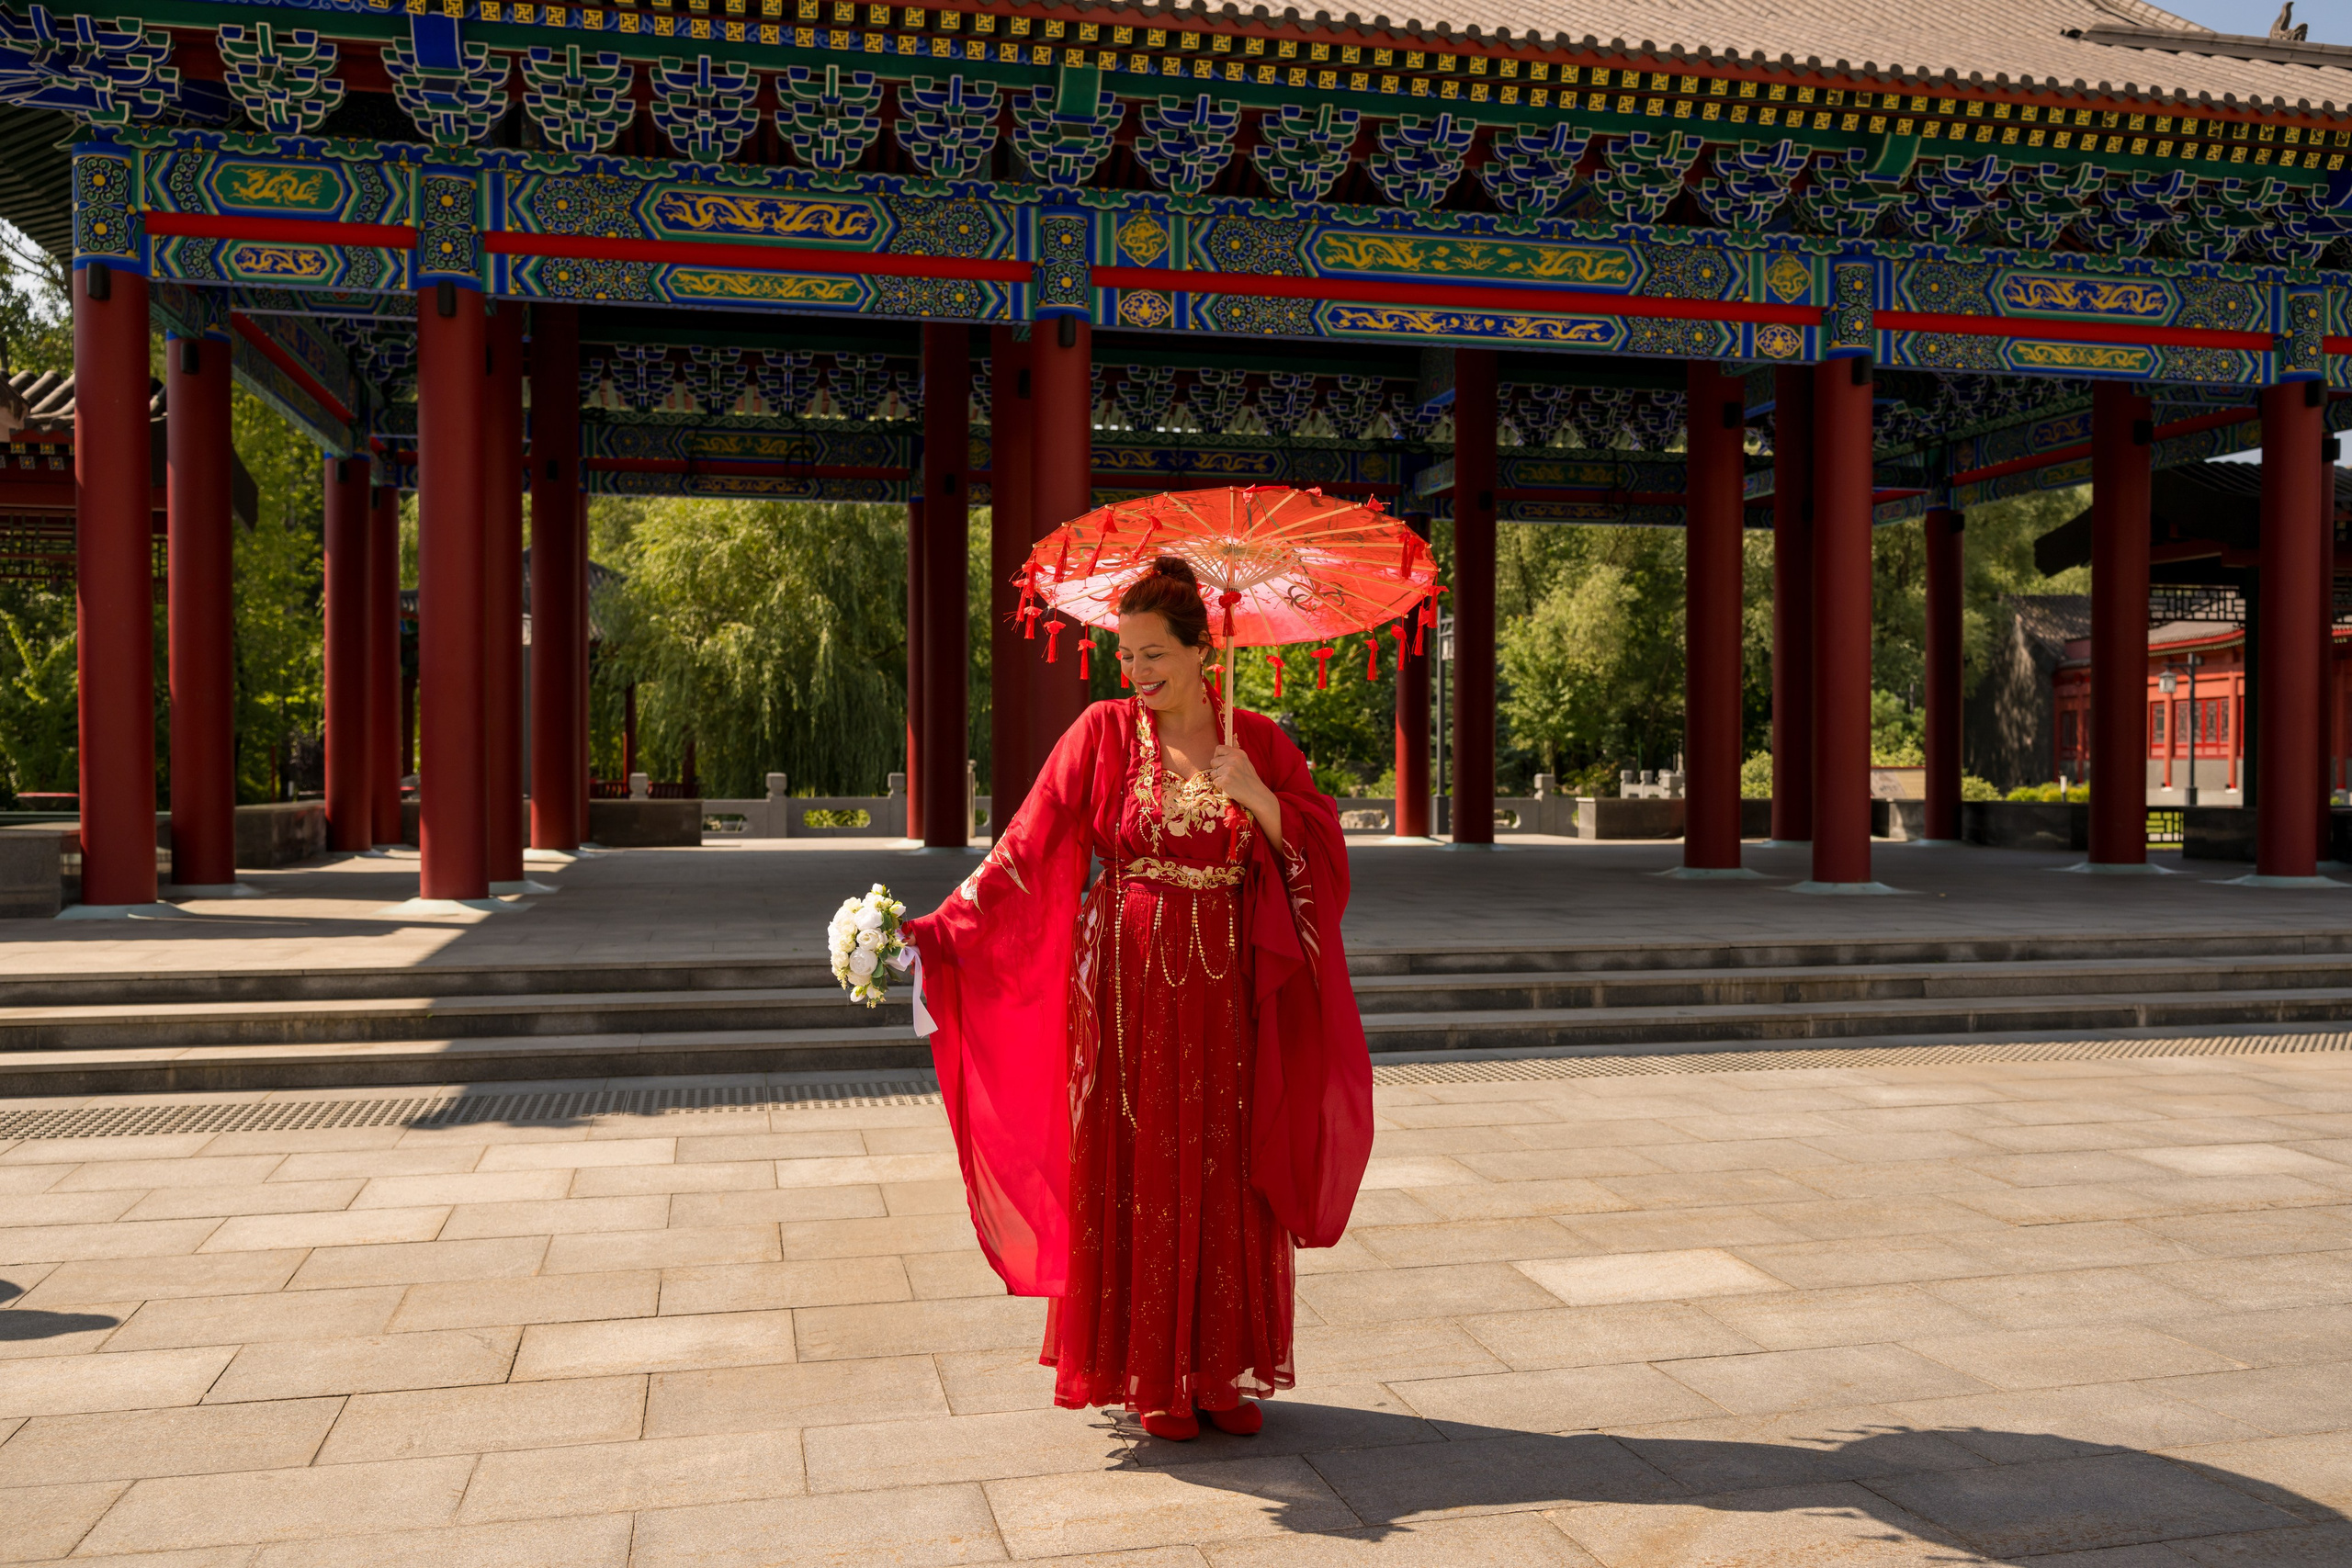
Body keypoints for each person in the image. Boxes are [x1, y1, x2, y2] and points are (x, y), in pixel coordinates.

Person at [904, 557, 1373, 1441]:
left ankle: (1219, 1369)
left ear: (1205, 651)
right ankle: (1153, 1374)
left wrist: (1260, 798)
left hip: (1230, 990)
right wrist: (937, 928)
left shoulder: (1259, 741)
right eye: (1129, 656)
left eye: (1155, 653)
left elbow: (1322, 855)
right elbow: (1023, 849)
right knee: (1143, 1161)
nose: (1139, 673)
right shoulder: (1103, 734)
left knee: (1227, 1163)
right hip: (1127, 989)